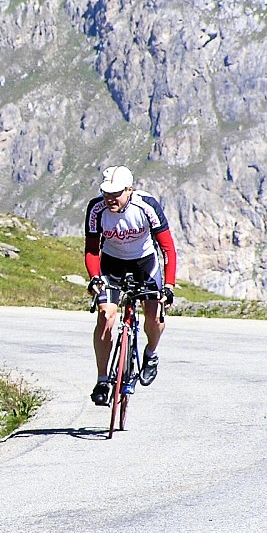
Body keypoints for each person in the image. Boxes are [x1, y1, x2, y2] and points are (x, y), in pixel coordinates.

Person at [84, 165, 177, 406]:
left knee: (154, 315)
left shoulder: (146, 206)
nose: (110, 198)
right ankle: (103, 379)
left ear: (129, 190)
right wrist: (94, 277)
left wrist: (169, 285)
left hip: (145, 264)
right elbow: (93, 249)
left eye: (116, 194)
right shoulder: (96, 209)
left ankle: (151, 354)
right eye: (106, 193)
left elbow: (167, 248)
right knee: (106, 316)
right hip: (111, 264)